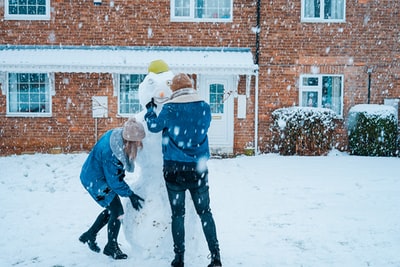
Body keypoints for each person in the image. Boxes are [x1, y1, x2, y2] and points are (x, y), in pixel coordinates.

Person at [145, 73, 222, 267]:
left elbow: (154, 127)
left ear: (175, 90)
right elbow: (201, 128)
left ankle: (179, 257)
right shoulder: (204, 107)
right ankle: (215, 256)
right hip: (198, 170)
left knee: (178, 215)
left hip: (174, 170)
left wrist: (150, 111)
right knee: (205, 213)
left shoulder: (170, 108)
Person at [79, 117, 145, 260]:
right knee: (118, 211)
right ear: (130, 141)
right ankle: (111, 247)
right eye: (138, 142)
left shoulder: (118, 136)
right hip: (95, 180)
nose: (140, 145)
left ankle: (90, 235)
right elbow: (114, 181)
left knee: (113, 209)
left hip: (95, 174)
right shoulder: (112, 154)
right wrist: (131, 195)